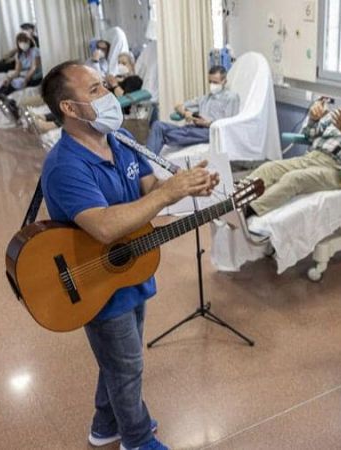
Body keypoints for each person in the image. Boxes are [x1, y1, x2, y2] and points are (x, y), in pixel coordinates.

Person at [39, 60, 219, 450]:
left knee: (119, 359)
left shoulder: (118, 143)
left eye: (105, 85)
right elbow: (103, 226)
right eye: (95, 91)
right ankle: (136, 440)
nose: (109, 96)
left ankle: (105, 425)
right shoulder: (64, 166)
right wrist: (167, 194)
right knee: (127, 365)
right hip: (92, 278)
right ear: (69, 109)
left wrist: (186, 186)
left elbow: (149, 187)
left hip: (127, 269)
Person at [246, 71, 341, 216]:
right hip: (312, 157)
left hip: (339, 169)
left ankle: (247, 212)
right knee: (268, 168)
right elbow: (310, 134)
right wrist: (313, 118)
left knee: (293, 179)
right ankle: (231, 200)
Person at [145, 65, 239, 154]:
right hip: (194, 128)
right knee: (158, 125)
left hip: (210, 131)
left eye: (215, 82)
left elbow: (229, 124)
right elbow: (178, 106)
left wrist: (207, 123)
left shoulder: (231, 98)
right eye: (210, 82)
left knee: (163, 135)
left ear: (224, 81)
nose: (212, 85)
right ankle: (148, 160)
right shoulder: (205, 98)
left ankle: (147, 162)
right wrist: (186, 113)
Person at [0, 31, 42, 99]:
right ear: (18, 43)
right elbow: (17, 71)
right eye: (21, 42)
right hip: (26, 76)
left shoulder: (35, 51)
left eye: (25, 41)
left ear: (29, 41)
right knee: (7, 82)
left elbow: (34, 68)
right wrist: (9, 78)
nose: (23, 44)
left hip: (36, 77)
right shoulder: (19, 55)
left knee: (14, 84)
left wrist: (26, 80)